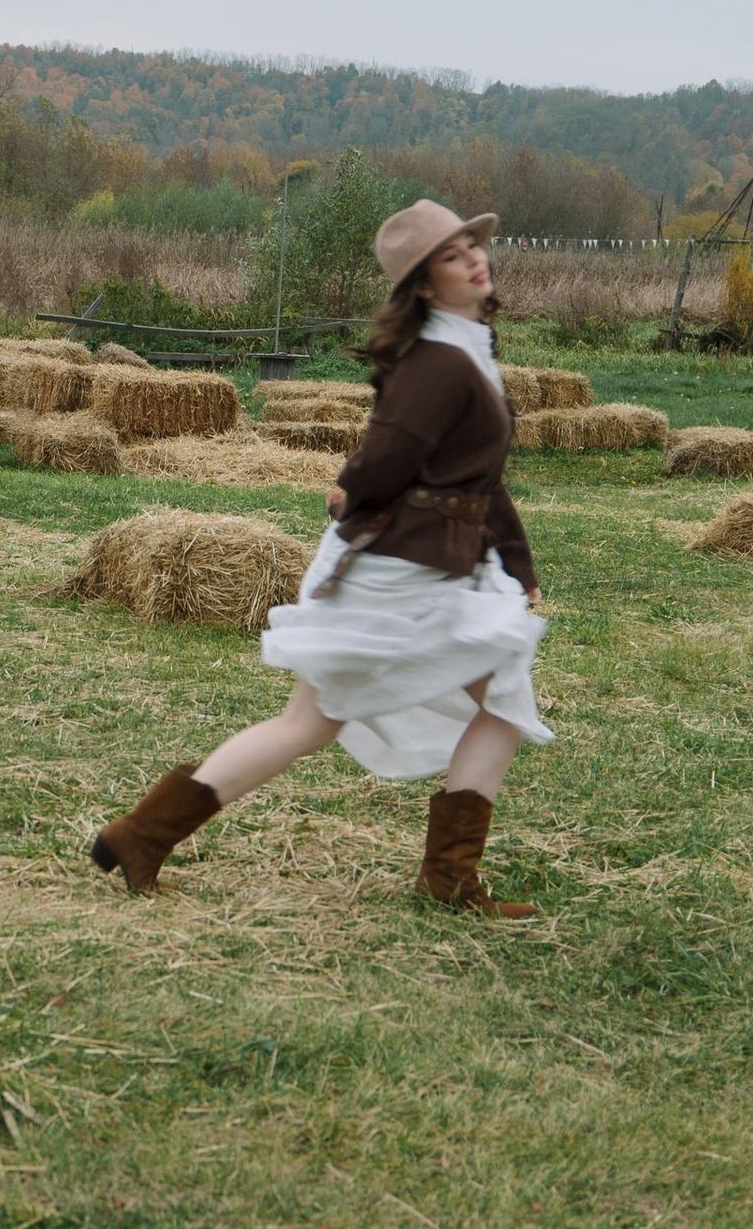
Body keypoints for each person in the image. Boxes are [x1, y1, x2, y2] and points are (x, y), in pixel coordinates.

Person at [89, 198, 550, 915]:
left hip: (425, 563)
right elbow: (383, 458)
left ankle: (143, 835)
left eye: (472, 246)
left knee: (332, 720)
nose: (474, 259)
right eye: (454, 256)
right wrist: (354, 495)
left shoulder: (467, 351)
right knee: (377, 714)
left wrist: (517, 568)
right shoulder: (439, 362)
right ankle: (448, 879)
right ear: (425, 286)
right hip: (398, 571)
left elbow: (482, 482)